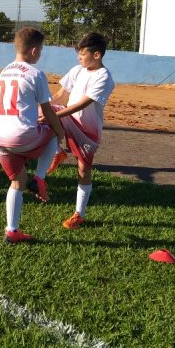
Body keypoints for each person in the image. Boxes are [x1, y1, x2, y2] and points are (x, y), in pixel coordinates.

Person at [0, 28, 67, 244]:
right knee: (53, 130)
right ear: (34, 50)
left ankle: (12, 231)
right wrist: (60, 133)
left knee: (17, 181)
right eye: (41, 49)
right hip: (21, 136)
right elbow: (48, 110)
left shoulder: (3, 72)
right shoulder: (36, 74)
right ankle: (40, 178)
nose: (40, 53)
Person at [48, 32, 115, 230]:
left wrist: (55, 116)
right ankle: (57, 152)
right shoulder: (77, 70)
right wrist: (44, 106)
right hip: (67, 120)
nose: (79, 58)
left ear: (97, 55)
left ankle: (79, 214)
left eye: (82, 54)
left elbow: (83, 103)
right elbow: (61, 95)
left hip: (88, 131)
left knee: (84, 170)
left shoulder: (104, 77)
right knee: (47, 113)